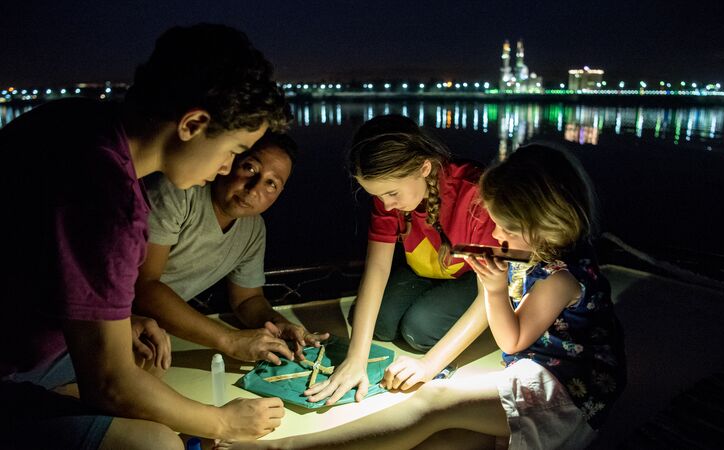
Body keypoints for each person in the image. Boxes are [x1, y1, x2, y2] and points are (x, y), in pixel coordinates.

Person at [218, 143, 626, 450]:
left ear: (543, 221)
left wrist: (494, 288)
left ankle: (285, 448)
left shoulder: (560, 277)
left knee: (431, 403)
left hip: (566, 392)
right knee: (442, 437)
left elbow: (511, 340)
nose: (496, 236)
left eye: (505, 227)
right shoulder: (538, 249)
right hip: (537, 369)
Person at [0, 23, 292, 449]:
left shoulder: (71, 122)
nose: (228, 169)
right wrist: (222, 423)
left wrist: (121, 323)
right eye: (232, 151)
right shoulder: (108, 200)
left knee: (141, 357)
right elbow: (111, 385)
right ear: (192, 124)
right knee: (159, 442)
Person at [305, 115, 498, 405]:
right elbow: (378, 268)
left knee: (418, 329)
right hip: (424, 270)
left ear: (424, 167)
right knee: (378, 323)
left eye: (391, 194)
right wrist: (357, 358)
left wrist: (428, 366)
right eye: (377, 196)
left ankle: (489, 331)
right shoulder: (388, 197)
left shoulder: (474, 193)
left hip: (475, 276)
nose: (386, 205)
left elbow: (490, 293)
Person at [135, 132, 328, 364]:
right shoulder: (181, 193)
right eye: (250, 168)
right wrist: (230, 340)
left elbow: (246, 299)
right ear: (228, 162)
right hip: (113, 319)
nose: (254, 188)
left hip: (158, 329)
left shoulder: (254, 229)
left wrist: (277, 323)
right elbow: (144, 286)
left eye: (271, 183)